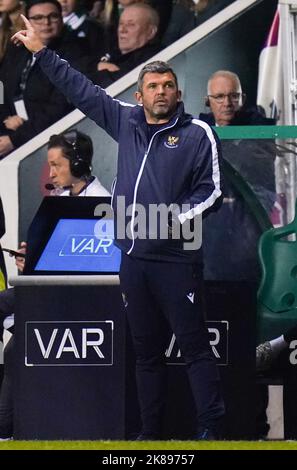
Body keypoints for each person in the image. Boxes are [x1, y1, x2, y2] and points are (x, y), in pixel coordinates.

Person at [12, 14, 226, 440]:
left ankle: (212, 432)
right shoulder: (124, 121)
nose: (161, 92)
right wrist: (41, 52)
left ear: (177, 93)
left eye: (167, 86)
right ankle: (150, 435)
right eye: (152, 87)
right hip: (132, 259)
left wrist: (166, 224)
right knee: (145, 352)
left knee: (195, 348)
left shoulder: (197, 132)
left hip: (175, 259)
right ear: (139, 93)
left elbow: (212, 193)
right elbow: (80, 89)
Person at [0, 129, 109, 440]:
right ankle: (5, 430)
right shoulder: (60, 200)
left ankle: (5, 431)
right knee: (13, 347)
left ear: (77, 163)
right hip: (45, 287)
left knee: (14, 349)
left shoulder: (101, 203)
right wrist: (29, 258)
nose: (51, 173)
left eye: (57, 165)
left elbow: (94, 266)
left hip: (74, 298)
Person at [0, 0, 90, 157]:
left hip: (48, 141)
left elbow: (59, 107)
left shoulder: (75, 52)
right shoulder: (18, 49)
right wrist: (6, 119)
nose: (46, 23)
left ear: (61, 19)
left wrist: (17, 137)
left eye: (53, 16)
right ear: (27, 22)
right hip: (10, 128)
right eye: (38, 18)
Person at [88, 3, 160, 88]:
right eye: (121, 24)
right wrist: (96, 65)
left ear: (150, 32)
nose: (122, 30)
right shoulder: (111, 52)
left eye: (131, 25)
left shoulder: (154, 58)